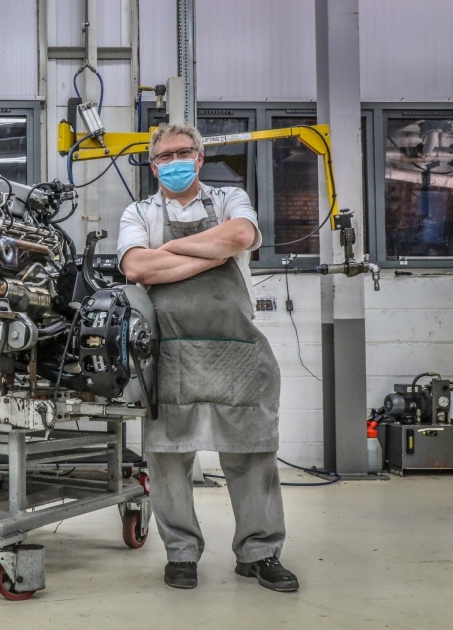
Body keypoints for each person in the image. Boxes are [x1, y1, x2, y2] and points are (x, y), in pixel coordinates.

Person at [117, 123, 299, 592]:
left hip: (234, 351)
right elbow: (136, 266)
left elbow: (240, 235)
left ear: (199, 158)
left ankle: (259, 553)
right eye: (164, 156)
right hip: (169, 353)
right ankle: (181, 554)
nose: (174, 162)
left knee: (252, 452)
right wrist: (210, 255)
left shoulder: (228, 199)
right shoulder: (139, 211)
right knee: (168, 458)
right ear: (153, 165)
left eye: (183, 152)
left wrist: (169, 251)